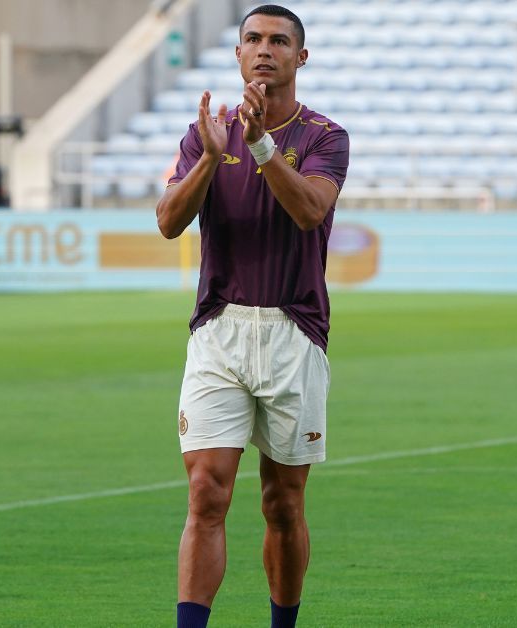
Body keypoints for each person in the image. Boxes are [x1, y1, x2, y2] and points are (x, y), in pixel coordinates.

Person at [155, 5, 349, 628]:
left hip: (293, 329)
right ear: (238, 54)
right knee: (207, 490)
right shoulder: (203, 134)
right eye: (253, 39)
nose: (265, 50)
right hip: (219, 328)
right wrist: (212, 158)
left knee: (282, 502)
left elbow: (310, 211)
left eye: (279, 41)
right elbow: (167, 222)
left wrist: (261, 143)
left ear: (301, 57)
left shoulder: (324, 136)